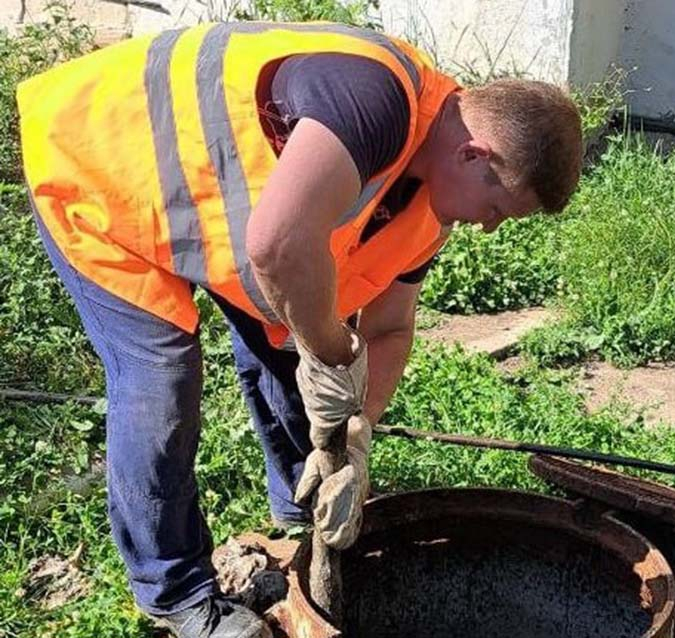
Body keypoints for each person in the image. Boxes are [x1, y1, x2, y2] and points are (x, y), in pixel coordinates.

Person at [17, 20, 582, 638]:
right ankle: (175, 591)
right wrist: (330, 349)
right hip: (102, 167)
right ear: (473, 157)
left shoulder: (430, 202)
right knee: (161, 382)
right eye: (497, 209)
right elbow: (279, 244)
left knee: (293, 351)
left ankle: (303, 511)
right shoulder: (375, 101)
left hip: (215, 213)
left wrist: (356, 432)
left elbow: (389, 326)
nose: (491, 228)